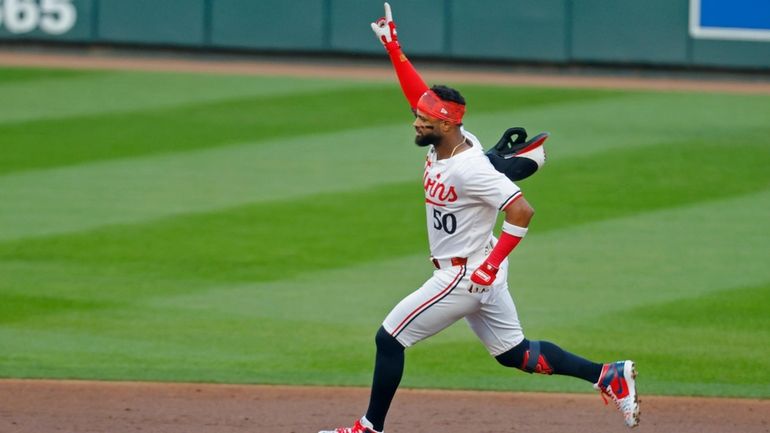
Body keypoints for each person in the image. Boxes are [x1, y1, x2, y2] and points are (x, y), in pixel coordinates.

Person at [319, 4, 640, 432]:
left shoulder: (470, 167)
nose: (416, 122)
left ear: (445, 125)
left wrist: (488, 268)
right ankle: (608, 374)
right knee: (517, 354)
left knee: (389, 338)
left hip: (466, 274)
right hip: (481, 266)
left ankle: (367, 429)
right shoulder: (451, 142)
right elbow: (417, 94)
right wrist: (394, 48)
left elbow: (522, 210)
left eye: (424, 119)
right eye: (418, 115)